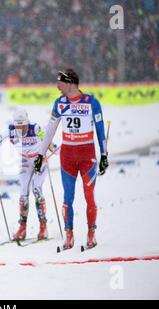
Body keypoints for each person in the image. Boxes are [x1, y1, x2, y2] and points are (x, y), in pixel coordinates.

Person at [34, 69, 109, 250]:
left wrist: (104, 154)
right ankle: (69, 236)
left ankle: (91, 234)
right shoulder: (59, 103)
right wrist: (39, 154)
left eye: (60, 82)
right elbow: (50, 130)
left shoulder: (91, 102)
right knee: (68, 198)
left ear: (70, 83)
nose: (57, 86)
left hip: (87, 156)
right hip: (67, 156)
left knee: (89, 196)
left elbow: (100, 131)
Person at [0, 109, 53, 241]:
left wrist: (47, 140)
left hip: (40, 160)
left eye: (23, 126)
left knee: (37, 190)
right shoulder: (10, 132)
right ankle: (22, 228)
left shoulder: (36, 128)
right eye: (18, 126)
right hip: (25, 161)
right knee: (23, 195)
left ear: (27, 123)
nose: (21, 129)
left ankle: (43, 227)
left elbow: (52, 147)